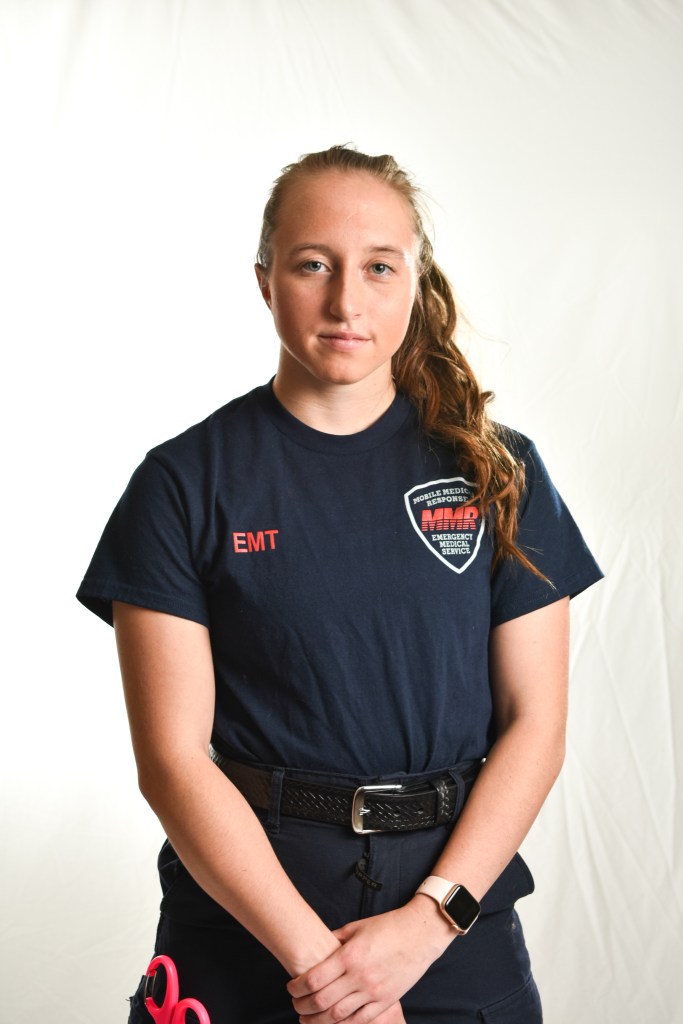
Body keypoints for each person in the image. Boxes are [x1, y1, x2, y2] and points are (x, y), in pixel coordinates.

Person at [77, 144, 603, 1024]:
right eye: (312, 264)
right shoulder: (183, 482)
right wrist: (324, 972)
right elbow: (172, 760)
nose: (345, 300)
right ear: (264, 280)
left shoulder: (498, 472)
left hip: (449, 918)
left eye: (377, 267)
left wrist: (431, 923)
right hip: (248, 917)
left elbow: (535, 726)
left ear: (414, 280)